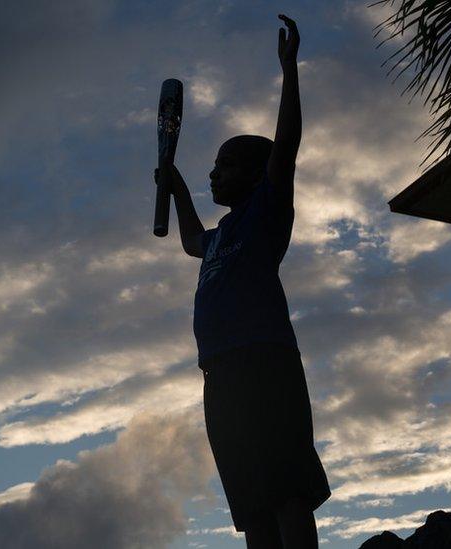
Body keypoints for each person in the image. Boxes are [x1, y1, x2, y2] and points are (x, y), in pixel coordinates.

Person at [155, 14, 330, 549]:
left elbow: (288, 145)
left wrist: (289, 72)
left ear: (256, 175)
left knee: (285, 492)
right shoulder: (222, 235)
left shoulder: (266, 212)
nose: (215, 174)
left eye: (225, 166)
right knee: (252, 501)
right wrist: (179, 185)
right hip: (221, 373)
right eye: (212, 166)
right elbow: (190, 241)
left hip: (264, 362)